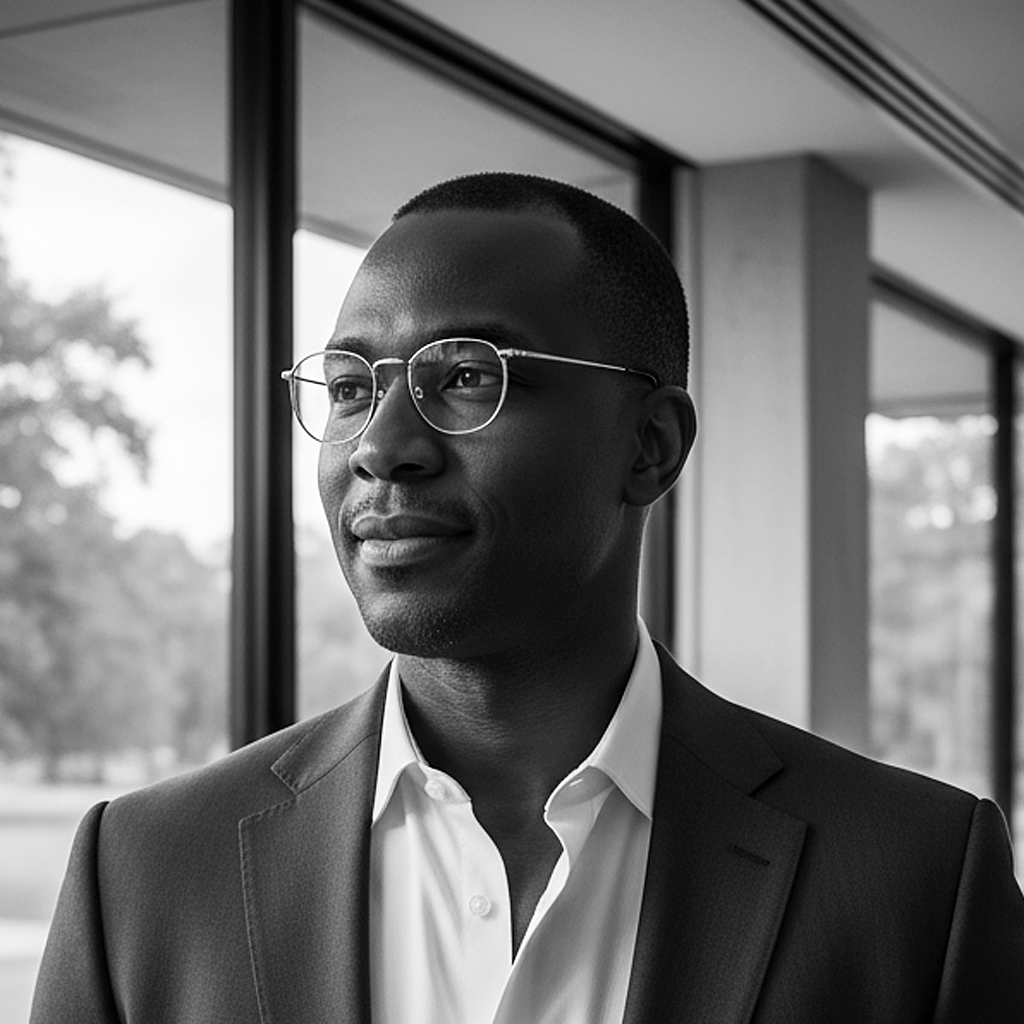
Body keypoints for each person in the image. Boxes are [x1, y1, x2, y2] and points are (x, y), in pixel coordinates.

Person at [32, 172, 1024, 1024]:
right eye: (348, 387)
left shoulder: (915, 880)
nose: (379, 446)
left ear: (649, 445)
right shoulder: (145, 873)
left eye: (464, 376)